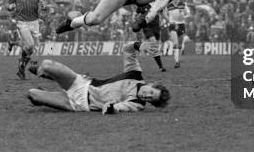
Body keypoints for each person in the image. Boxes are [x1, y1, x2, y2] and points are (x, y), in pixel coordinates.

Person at [26, 42, 170, 113]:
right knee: (46, 64)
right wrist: (138, 45)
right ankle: (44, 74)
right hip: (82, 85)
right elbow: (127, 50)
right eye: (151, 92)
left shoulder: (137, 104)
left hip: (80, 105)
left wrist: (111, 108)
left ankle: (48, 89)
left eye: (151, 99)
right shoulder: (135, 74)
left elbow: (120, 107)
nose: (147, 96)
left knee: (32, 94)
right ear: (151, 84)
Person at [7, 0, 47, 80]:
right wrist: (10, 7)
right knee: (29, 45)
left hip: (34, 22)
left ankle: (21, 67)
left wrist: (44, 7)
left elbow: (44, 6)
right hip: (22, 22)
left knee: (31, 49)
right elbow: (8, 5)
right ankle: (21, 63)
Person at [135, 3, 166, 72]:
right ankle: (161, 67)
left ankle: (141, 51)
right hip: (147, 27)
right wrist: (138, 21)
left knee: (154, 46)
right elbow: (137, 15)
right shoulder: (143, 4)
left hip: (156, 27)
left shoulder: (158, 3)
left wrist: (168, 21)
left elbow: (162, 14)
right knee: (154, 43)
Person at [167, 0, 189, 68]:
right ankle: (177, 61)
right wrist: (170, 21)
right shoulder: (169, 5)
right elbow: (165, 14)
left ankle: (178, 60)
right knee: (176, 44)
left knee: (179, 44)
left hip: (181, 25)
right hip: (172, 25)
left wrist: (183, 12)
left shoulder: (183, 4)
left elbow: (187, 14)